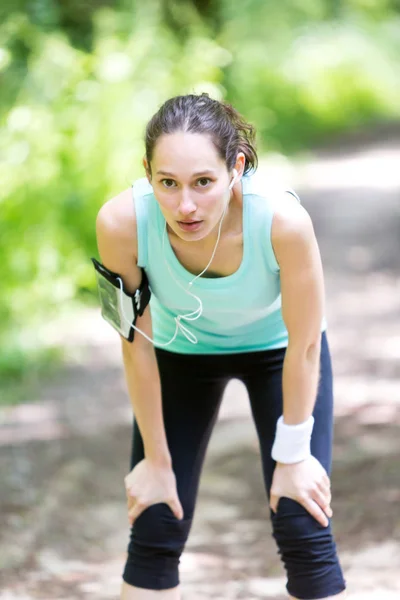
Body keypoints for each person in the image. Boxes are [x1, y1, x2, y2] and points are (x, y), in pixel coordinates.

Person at [94, 93, 347, 600]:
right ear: (147, 172)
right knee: (156, 519)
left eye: (203, 182)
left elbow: (304, 345)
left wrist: (293, 456)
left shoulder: (282, 222)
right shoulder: (119, 223)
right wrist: (156, 462)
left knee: (301, 516)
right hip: (179, 354)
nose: (185, 205)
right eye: (167, 183)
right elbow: (134, 343)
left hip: (280, 353)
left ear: (235, 168)